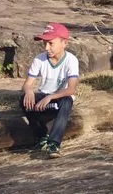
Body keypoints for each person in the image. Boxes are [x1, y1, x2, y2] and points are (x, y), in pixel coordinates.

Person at [20, 23, 79, 159]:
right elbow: (27, 84)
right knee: (23, 100)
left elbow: (71, 89)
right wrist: (29, 91)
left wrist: (51, 97)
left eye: (51, 43)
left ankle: (54, 144)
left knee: (67, 100)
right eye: (45, 43)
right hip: (43, 98)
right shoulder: (39, 59)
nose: (47, 48)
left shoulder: (71, 60)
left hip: (58, 99)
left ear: (64, 43)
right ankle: (41, 137)